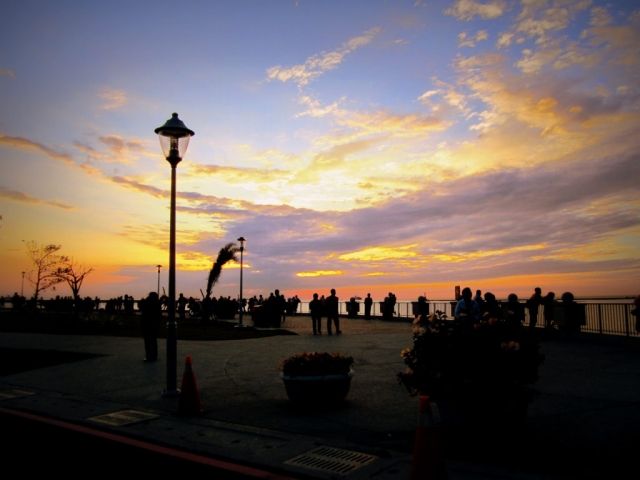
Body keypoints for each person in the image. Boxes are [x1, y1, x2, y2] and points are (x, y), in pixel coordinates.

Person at [139, 291, 161, 362]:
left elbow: (142, 309)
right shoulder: (157, 304)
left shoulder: (147, 303)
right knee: (153, 341)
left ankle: (148, 355)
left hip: (147, 324)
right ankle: (154, 355)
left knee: (147, 341)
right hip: (154, 324)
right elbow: (159, 315)